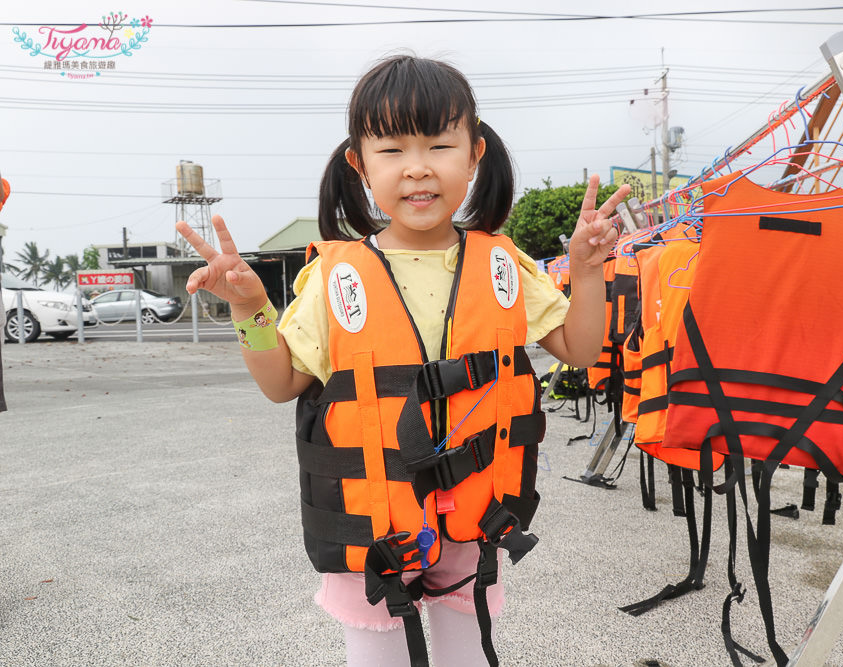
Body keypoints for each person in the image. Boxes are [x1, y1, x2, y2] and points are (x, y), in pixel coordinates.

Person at [176, 54, 628, 667]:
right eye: (391, 150)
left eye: (440, 145)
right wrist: (252, 308)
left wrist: (586, 271)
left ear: (475, 155)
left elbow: (580, 349)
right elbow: (282, 383)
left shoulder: (504, 265)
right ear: (359, 165)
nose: (418, 168)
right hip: (374, 532)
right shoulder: (334, 277)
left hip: (475, 524)